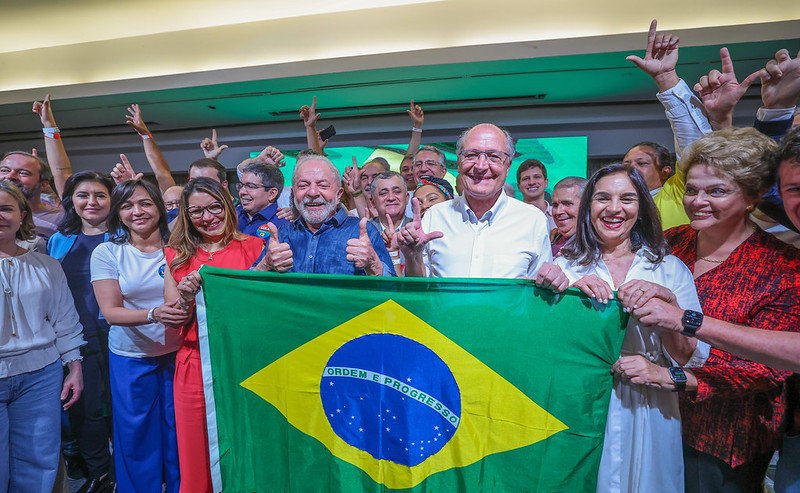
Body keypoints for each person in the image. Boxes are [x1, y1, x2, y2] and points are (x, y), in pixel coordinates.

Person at [636, 127, 800, 492]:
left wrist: (678, 378)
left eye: (717, 191)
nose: (698, 201)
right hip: (653, 416)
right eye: (692, 190)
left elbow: (767, 368)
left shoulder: (782, 265)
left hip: (725, 436)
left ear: (752, 197)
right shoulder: (669, 243)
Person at [555, 163, 708, 493]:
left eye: (627, 198)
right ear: (588, 207)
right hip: (581, 402)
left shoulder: (668, 268)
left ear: (640, 208)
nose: (613, 208)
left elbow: (690, 359)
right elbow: (546, 348)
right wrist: (565, 296)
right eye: (602, 198)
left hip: (650, 402)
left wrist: (668, 309)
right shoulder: (565, 265)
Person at [164, 177, 268, 493]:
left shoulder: (255, 247)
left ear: (227, 205)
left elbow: (263, 313)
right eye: (197, 211)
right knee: (196, 454)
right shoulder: (175, 254)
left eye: (214, 207)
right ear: (185, 214)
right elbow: (173, 319)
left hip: (244, 363)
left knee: (247, 447)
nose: (208, 217)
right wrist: (183, 297)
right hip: (194, 365)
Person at [90, 179, 188, 493]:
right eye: (127, 205)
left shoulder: (182, 246)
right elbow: (111, 312)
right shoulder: (108, 252)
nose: (137, 211)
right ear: (118, 213)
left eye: (145, 203)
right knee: (135, 439)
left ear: (159, 207)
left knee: (179, 435)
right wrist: (153, 314)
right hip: (131, 358)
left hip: (179, 355)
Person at [0, 180, 85, 492]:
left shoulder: (47, 265)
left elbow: (65, 318)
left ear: (22, 216)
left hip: (40, 376)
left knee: (38, 463)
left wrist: (74, 366)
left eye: (6, 209)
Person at [398, 123, 562, 285]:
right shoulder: (435, 215)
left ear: (508, 165)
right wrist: (413, 257)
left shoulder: (532, 220)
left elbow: (538, 289)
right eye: (471, 155)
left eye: (493, 157)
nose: (481, 166)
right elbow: (420, 289)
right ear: (459, 161)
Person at [47, 171, 116, 493]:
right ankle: (98, 473)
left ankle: (122, 473)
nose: (91, 202)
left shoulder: (124, 235)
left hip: (120, 334)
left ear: (113, 199)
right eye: (83, 195)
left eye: (100, 195)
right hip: (75, 337)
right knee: (84, 411)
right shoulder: (58, 238)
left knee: (120, 408)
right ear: (71, 201)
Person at [257, 155, 394, 276]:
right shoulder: (282, 234)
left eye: (322, 185)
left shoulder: (363, 232)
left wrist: (374, 265)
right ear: (293, 194)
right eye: (303, 186)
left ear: (339, 194)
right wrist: (265, 265)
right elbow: (247, 287)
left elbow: (395, 293)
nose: (312, 192)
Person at [369, 171, 412, 275]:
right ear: (372, 202)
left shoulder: (418, 229)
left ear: (407, 198)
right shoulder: (365, 231)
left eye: (397, 192)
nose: (391, 197)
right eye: (383, 193)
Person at [236, 161, 288, 236]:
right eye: (241, 186)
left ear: (272, 194)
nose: (242, 192)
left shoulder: (285, 226)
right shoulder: (231, 216)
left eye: (251, 186)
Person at [550, 176, 587, 256]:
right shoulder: (553, 238)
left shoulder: (596, 248)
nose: (558, 212)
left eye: (567, 204)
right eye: (555, 205)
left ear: (587, 206)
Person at [517, 159, 555, 230]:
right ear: (519, 187)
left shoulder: (558, 216)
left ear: (546, 182)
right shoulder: (512, 217)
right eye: (526, 178)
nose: (531, 182)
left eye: (537, 177)